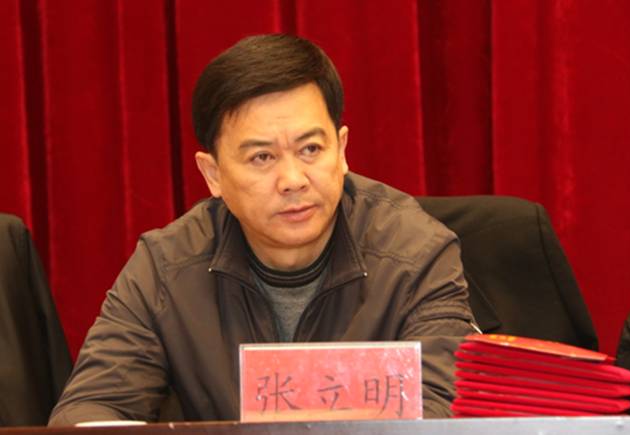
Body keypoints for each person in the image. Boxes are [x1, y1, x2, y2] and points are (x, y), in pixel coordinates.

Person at [49, 34, 475, 425]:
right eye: (262, 158)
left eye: (311, 149)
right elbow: (88, 410)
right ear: (213, 174)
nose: (293, 180)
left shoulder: (418, 254)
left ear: (342, 150)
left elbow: (448, 414)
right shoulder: (166, 269)